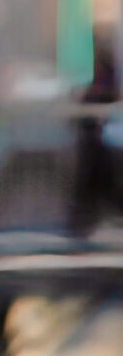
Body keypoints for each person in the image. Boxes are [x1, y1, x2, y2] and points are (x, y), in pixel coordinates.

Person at [68, 33, 120, 240]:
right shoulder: (101, 74)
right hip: (93, 139)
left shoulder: (106, 73)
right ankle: (83, 221)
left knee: (96, 179)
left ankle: (83, 220)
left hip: (96, 140)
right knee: (95, 180)